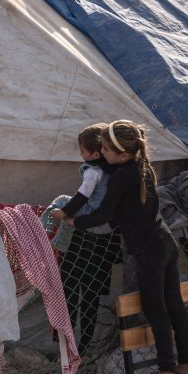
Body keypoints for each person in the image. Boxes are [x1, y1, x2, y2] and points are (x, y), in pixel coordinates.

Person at [51, 120, 188, 374]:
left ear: (123, 154)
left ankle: (167, 372)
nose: (101, 152)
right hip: (165, 242)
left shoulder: (120, 178)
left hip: (148, 250)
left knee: (156, 309)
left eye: (106, 149)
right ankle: (186, 366)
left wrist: (73, 221)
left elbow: (104, 214)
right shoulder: (143, 168)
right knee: (175, 304)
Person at [55, 123, 120, 355]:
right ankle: (82, 346)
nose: (81, 155)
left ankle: (67, 346)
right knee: (90, 295)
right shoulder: (116, 171)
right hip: (103, 240)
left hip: (84, 239)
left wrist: (64, 214)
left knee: (71, 289)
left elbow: (82, 196)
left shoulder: (93, 171)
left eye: (83, 151)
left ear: (95, 152)